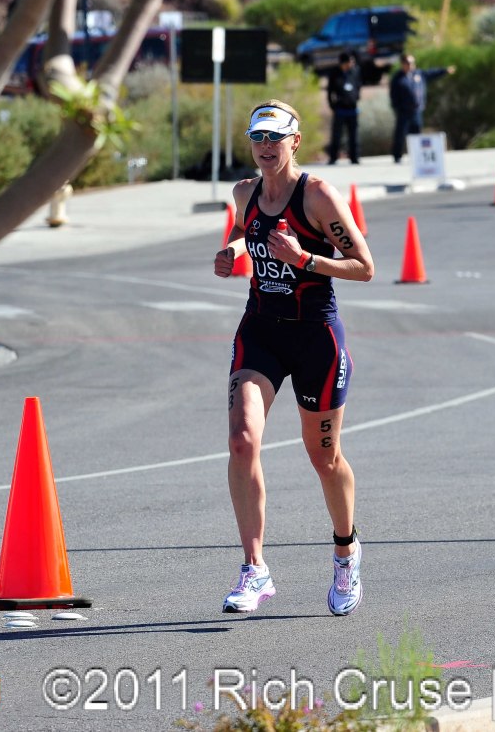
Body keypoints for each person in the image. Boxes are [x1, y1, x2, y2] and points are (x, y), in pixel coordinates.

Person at [213, 100, 374, 616]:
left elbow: (364, 266)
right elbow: (247, 232)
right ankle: (254, 568)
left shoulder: (319, 196)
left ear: (295, 141)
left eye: (274, 138)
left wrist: (305, 260)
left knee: (323, 457)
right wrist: (233, 253)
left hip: (315, 337)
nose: (264, 147)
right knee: (242, 441)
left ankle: (346, 551)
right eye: (257, 137)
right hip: (260, 331)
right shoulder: (245, 193)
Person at [389, 55, 455, 164]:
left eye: (412, 63)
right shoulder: (397, 78)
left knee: (416, 134)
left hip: (416, 111)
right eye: (408, 63)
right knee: (400, 134)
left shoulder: (418, 74)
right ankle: (397, 156)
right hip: (403, 111)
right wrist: (398, 108)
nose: (411, 65)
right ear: (403, 64)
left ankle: (417, 156)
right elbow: (393, 96)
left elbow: (432, 73)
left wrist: (445, 71)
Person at [324, 52, 362, 165]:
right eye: (350, 61)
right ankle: (333, 158)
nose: (352, 63)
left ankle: (354, 158)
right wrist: (332, 105)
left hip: (352, 109)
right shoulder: (335, 73)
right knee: (336, 135)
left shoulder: (355, 71)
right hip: (340, 110)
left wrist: (356, 97)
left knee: (354, 135)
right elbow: (330, 91)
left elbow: (358, 85)